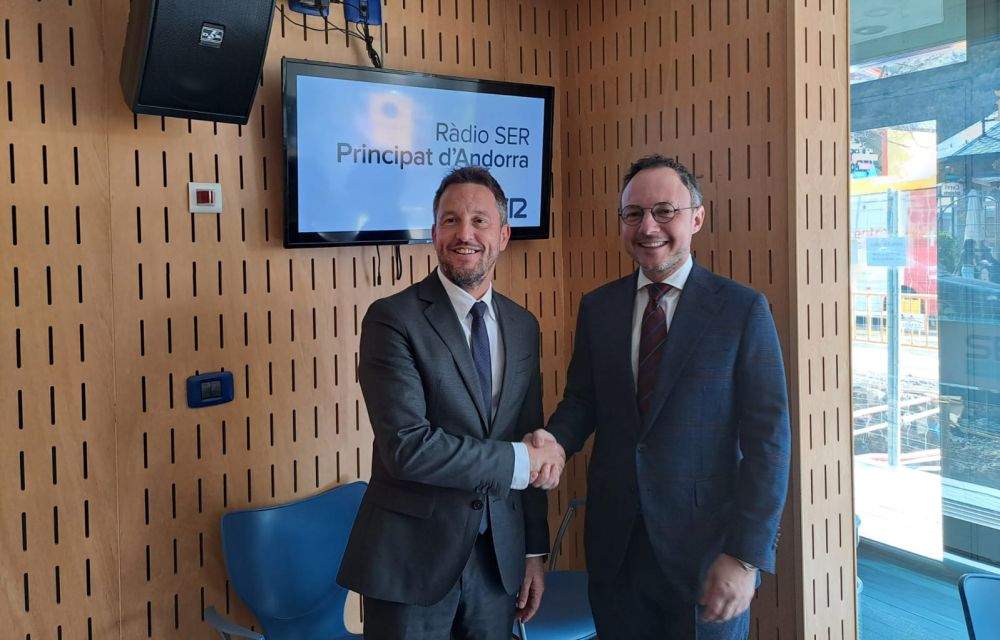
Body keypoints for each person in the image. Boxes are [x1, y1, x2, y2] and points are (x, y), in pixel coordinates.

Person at [528, 154, 791, 639]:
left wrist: (745, 556)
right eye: (634, 214)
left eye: (664, 211)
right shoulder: (599, 307)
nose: (648, 227)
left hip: (707, 558)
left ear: (697, 217)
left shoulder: (741, 310)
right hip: (616, 554)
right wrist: (555, 442)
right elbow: (582, 402)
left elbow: (770, 443)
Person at [337, 166, 564, 640]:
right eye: (450, 220)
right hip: (411, 562)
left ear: (503, 235)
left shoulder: (523, 326)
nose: (465, 234)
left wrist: (532, 552)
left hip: (498, 563)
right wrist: (522, 461)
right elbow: (407, 447)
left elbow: (530, 433)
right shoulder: (392, 319)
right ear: (434, 232)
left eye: (480, 221)